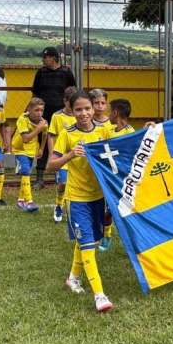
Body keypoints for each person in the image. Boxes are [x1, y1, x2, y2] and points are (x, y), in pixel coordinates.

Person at [46, 90, 115, 313]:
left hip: (98, 197)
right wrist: (70, 156)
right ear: (72, 111)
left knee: (90, 242)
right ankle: (100, 295)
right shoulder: (67, 134)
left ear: (94, 108)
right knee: (88, 246)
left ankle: (73, 277)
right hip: (76, 199)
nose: (84, 113)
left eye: (87, 108)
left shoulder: (104, 131)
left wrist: (147, 130)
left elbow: (122, 149)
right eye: (79, 109)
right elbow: (51, 165)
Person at [31, 46, 76, 190]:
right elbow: (35, 95)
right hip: (44, 114)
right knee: (43, 144)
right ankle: (40, 178)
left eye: (45, 57)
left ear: (53, 58)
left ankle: (66, 175)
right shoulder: (41, 73)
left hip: (62, 115)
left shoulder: (66, 73)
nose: (42, 60)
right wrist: (31, 111)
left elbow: (73, 94)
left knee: (64, 142)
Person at [98, 98, 136, 252]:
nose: (108, 115)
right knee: (109, 210)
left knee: (128, 211)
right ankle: (106, 236)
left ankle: (133, 240)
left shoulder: (131, 133)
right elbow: (100, 148)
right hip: (110, 178)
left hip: (125, 179)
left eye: (109, 111)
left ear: (115, 113)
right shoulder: (108, 130)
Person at [46, 87, 78, 224]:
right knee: (63, 183)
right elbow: (51, 136)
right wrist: (53, 155)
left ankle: (72, 210)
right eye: (71, 103)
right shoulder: (57, 116)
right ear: (65, 101)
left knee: (75, 185)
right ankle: (59, 205)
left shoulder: (81, 116)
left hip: (78, 157)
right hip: (62, 156)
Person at [12, 98, 47, 212]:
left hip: (32, 150)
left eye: (42, 110)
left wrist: (41, 148)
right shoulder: (23, 118)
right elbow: (26, 139)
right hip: (19, 149)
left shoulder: (43, 123)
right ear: (29, 109)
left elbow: (45, 135)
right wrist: (38, 128)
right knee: (26, 171)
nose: (39, 113)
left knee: (26, 174)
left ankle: (21, 199)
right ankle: (29, 202)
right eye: (36, 110)